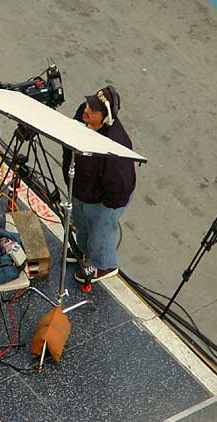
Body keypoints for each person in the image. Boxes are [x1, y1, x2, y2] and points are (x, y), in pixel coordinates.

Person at [62, 85, 135, 284]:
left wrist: (106, 209)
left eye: (93, 110)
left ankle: (103, 265)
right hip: (81, 189)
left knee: (100, 236)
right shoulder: (82, 116)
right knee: (81, 224)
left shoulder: (116, 146)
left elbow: (121, 186)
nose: (87, 110)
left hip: (104, 201)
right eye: (88, 105)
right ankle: (84, 251)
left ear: (105, 117)